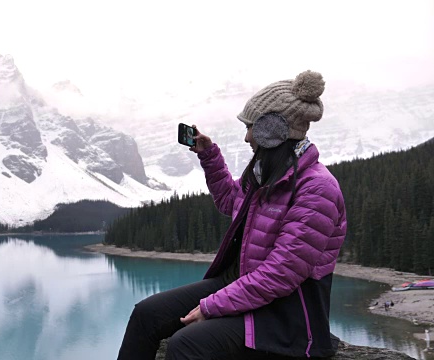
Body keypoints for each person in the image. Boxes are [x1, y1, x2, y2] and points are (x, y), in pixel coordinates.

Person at [117, 70, 347, 359]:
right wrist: (209, 155)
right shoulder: (265, 174)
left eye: (251, 127)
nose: (247, 137)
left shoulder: (317, 188)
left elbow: (282, 273)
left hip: (287, 309)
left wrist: (211, 306)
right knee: (146, 314)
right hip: (242, 284)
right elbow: (230, 201)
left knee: (187, 344)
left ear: (273, 130)